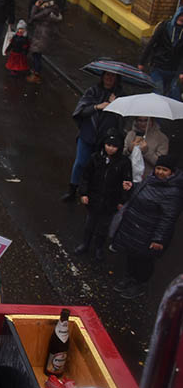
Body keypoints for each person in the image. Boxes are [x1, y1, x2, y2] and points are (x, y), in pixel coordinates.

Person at [111, 156, 182, 299]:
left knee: (144, 261)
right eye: (158, 168)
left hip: (149, 232)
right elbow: (141, 195)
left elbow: (168, 219)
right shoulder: (150, 180)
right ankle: (129, 278)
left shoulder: (174, 192)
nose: (160, 172)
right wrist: (132, 188)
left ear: (172, 172)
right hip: (134, 227)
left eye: (165, 170)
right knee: (131, 255)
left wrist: (159, 239)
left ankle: (139, 284)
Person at [64, 71, 124, 201]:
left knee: (97, 166)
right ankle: (72, 190)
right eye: (107, 75)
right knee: (80, 163)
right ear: (102, 76)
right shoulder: (92, 91)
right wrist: (97, 106)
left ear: (117, 79)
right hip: (88, 135)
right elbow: (81, 111)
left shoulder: (120, 96)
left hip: (105, 139)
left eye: (112, 76)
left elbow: (121, 119)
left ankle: (88, 192)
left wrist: (115, 105)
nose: (109, 78)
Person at [76, 130, 132, 261]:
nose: (110, 149)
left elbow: (127, 183)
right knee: (90, 223)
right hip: (94, 198)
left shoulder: (124, 163)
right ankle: (85, 244)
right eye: (108, 145)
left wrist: (122, 200)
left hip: (110, 201)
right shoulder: (95, 158)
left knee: (103, 227)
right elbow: (86, 176)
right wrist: (83, 193)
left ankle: (99, 248)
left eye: (114, 146)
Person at [138, 7, 183, 101]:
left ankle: (163, 115)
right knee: (158, 92)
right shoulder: (164, 27)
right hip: (158, 66)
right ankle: (152, 113)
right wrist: (142, 62)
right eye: (181, 15)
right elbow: (151, 44)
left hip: (174, 70)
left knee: (172, 95)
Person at [26, 0, 62, 83]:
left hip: (41, 35)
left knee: (36, 55)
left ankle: (36, 74)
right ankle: (35, 72)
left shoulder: (46, 11)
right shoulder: (53, 8)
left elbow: (33, 17)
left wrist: (35, 6)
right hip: (45, 35)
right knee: (37, 55)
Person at [124, 117, 170, 181]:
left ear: (152, 121)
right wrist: (129, 150)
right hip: (129, 176)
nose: (143, 124)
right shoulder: (130, 134)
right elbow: (121, 154)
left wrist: (146, 152)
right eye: (140, 120)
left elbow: (160, 163)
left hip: (149, 178)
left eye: (146, 121)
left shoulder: (161, 138)